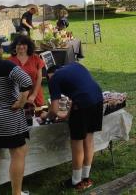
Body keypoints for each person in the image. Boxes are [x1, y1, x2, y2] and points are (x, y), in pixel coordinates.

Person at [42, 63, 103, 191]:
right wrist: (67, 116)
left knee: (77, 143)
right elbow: (78, 93)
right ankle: (86, 178)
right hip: (97, 99)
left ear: (49, 75)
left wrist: (45, 116)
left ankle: (76, 181)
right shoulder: (75, 66)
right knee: (89, 139)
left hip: (82, 105)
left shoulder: (54, 79)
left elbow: (53, 110)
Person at [0, 36, 32, 195]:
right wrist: (21, 102)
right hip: (9, 117)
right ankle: (16, 193)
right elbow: (27, 81)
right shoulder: (6, 65)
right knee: (18, 152)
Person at [9, 35, 45, 107]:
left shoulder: (35, 58)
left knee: (37, 116)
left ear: (28, 46)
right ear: (15, 46)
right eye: (18, 44)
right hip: (18, 96)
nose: (21, 47)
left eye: (24, 44)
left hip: (35, 94)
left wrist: (34, 95)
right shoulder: (10, 61)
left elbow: (39, 78)